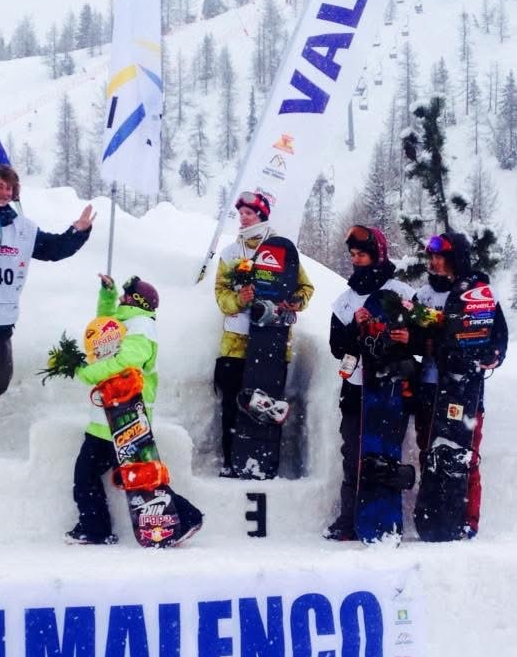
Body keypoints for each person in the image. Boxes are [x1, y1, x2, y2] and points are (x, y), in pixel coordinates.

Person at [0, 163, 93, 455]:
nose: (4, 192)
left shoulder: (22, 228)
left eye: (9, 188)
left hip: (4, 320)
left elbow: (52, 249)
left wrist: (77, 231)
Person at [66, 274, 204, 545]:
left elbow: (127, 362)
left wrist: (88, 373)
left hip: (125, 417)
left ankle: (185, 517)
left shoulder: (141, 326)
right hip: (110, 417)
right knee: (99, 474)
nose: (120, 298)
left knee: (134, 476)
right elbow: (103, 328)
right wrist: (107, 294)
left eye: (124, 295)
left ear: (134, 301)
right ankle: (95, 528)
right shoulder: (128, 322)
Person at [413, 232, 508, 538]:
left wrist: (492, 355)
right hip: (430, 386)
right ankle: (434, 515)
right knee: (430, 452)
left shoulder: (479, 293)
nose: (434, 262)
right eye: (431, 257)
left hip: (465, 390)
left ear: (456, 258)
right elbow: (411, 337)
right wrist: (422, 338)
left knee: (466, 455)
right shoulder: (424, 295)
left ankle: (467, 519)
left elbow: (498, 338)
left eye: (440, 257)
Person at [213, 189, 314, 475]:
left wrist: (293, 302)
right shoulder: (231, 253)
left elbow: (305, 288)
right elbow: (221, 295)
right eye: (240, 213)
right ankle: (231, 463)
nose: (243, 218)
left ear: (261, 216)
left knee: (265, 404)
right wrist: (239, 299)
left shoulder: (281, 250)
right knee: (234, 404)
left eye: (249, 213)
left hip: (271, 342)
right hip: (236, 343)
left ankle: (263, 461)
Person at [324, 225, 415, 541]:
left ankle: (385, 519)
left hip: (390, 389)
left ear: (377, 254)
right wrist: (355, 326)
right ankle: (349, 519)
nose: (356, 260)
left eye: (362, 254)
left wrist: (408, 338)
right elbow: (337, 348)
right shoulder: (344, 302)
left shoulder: (401, 292)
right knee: (353, 455)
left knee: (386, 455)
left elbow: (424, 336)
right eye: (352, 254)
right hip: (356, 387)